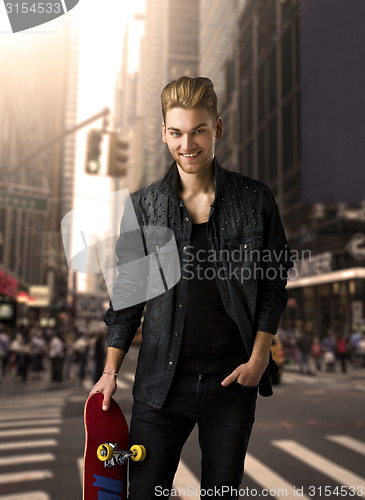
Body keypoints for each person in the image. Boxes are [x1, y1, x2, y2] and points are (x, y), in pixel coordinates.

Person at [90, 76, 292, 499]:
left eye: (198, 130)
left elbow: (273, 284)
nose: (188, 144)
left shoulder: (255, 200)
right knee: (144, 491)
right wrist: (109, 373)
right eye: (177, 132)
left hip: (232, 385)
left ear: (217, 127)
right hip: (160, 389)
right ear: (164, 133)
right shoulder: (143, 206)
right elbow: (127, 296)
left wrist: (258, 360)